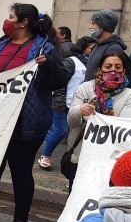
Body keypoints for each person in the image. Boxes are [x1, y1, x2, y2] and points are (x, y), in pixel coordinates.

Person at [0, 4, 65, 222]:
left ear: (24, 22)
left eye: (11, 17)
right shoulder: (1, 43)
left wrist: (48, 65)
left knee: (20, 172)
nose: (7, 21)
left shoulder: (44, 47)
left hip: (26, 121)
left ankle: (20, 221)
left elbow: (57, 80)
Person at [65, 51, 131, 190]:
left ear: (124, 71)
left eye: (118, 67)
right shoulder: (84, 88)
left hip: (110, 159)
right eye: (108, 66)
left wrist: (88, 117)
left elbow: (122, 127)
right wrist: (78, 110)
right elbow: (72, 122)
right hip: (81, 155)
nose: (113, 70)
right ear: (99, 69)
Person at [38, 36, 96, 170]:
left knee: (68, 132)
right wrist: (60, 101)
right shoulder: (72, 61)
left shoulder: (89, 64)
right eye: (91, 49)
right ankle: (45, 155)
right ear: (83, 47)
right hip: (63, 103)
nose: (93, 52)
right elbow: (60, 80)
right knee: (61, 130)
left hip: (79, 104)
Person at [84, 9, 131, 87]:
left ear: (102, 26)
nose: (90, 26)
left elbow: (114, 78)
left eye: (93, 24)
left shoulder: (113, 48)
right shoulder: (98, 45)